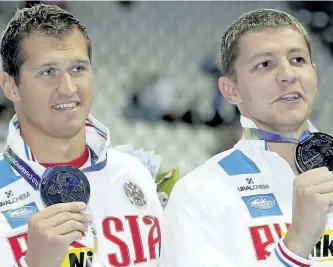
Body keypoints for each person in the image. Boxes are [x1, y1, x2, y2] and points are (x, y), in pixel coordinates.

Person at [163, 8, 333, 267]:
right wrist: (295, 245)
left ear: (315, 75)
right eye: (264, 64)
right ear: (230, 91)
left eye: (297, 59)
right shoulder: (198, 194)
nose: (288, 74)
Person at [0, 4, 164, 267]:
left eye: (78, 69)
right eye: (47, 72)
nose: (67, 88)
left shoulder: (133, 174)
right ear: (10, 86)